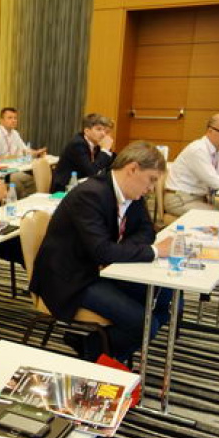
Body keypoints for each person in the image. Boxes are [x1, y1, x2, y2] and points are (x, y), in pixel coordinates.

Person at [30, 141, 175, 363]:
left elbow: (146, 232)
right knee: (143, 323)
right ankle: (98, 354)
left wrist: (119, 251)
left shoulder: (132, 194)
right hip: (71, 278)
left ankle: (92, 346)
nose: (151, 188)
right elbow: (103, 251)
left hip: (102, 267)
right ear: (133, 169)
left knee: (165, 295)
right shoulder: (90, 194)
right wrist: (153, 252)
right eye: (152, 179)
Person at [0, 108, 42, 197]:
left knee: (33, 178)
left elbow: (24, 150)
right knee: (23, 180)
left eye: (15, 118)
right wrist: (14, 157)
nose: (13, 120)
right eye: (10, 118)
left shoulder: (15, 133)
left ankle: (32, 200)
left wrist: (36, 152)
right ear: (1, 120)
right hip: (1, 173)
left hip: (15, 168)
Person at [52, 113, 115, 193]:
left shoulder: (96, 145)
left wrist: (107, 150)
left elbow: (108, 167)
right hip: (64, 189)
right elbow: (92, 172)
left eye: (105, 131)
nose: (103, 134)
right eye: (99, 129)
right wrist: (105, 150)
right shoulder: (78, 144)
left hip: (82, 185)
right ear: (87, 131)